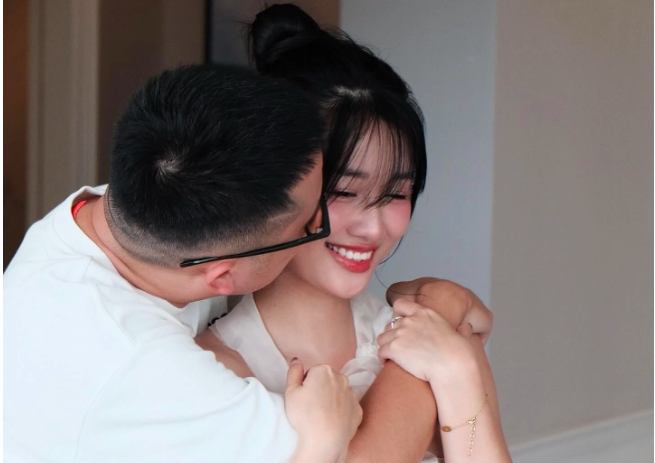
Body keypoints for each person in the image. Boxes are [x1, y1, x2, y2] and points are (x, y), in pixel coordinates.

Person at [5, 64, 491, 463]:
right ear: (224, 277)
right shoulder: (151, 371)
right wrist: (440, 313)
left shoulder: (128, 206)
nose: (354, 225)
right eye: (314, 219)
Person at [195, 4, 512, 463]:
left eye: (395, 193)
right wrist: (445, 308)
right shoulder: (217, 371)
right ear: (273, 189)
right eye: (344, 191)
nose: (373, 227)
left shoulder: (431, 335)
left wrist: (458, 367)